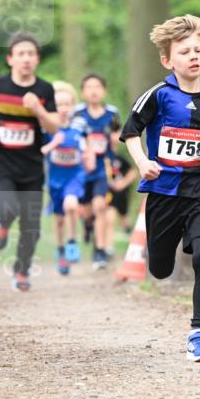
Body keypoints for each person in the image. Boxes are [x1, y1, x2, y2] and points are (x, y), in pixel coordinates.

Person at [120, 14, 200, 362]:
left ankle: (199, 335)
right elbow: (129, 132)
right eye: (184, 51)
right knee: (160, 268)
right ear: (168, 60)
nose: (193, 56)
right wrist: (143, 163)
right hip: (163, 192)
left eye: (198, 50)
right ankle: (160, 254)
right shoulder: (158, 95)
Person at [0, 32, 59, 291]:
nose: (26, 59)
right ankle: (1, 227)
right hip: (2, 164)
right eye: (20, 54)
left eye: (31, 54)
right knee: (8, 208)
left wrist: (39, 110)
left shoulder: (44, 89)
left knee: (31, 227)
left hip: (32, 167)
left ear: (37, 59)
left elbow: (55, 128)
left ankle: (22, 272)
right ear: (10, 59)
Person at [71, 73, 121, 270]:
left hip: (102, 167)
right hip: (81, 168)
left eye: (97, 86)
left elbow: (116, 137)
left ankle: (99, 251)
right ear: (83, 92)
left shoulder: (112, 113)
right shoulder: (77, 114)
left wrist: (114, 146)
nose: (93, 91)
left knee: (100, 206)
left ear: (104, 90)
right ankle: (87, 224)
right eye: (89, 87)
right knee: (86, 211)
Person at [41, 81, 90, 275]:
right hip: (55, 179)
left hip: (75, 176)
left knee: (71, 205)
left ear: (73, 106)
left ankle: (72, 241)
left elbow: (86, 144)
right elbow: (41, 150)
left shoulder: (79, 124)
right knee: (59, 218)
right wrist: (54, 144)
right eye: (58, 105)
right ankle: (60, 249)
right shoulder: (48, 128)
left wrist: (88, 155)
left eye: (67, 104)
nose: (63, 109)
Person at [105, 148, 137, 254]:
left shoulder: (120, 158)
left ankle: (131, 240)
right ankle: (109, 247)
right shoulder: (102, 159)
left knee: (124, 219)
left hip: (122, 195)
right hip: (109, 195)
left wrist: (123, 183)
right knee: (110, 220)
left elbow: (133, 172)